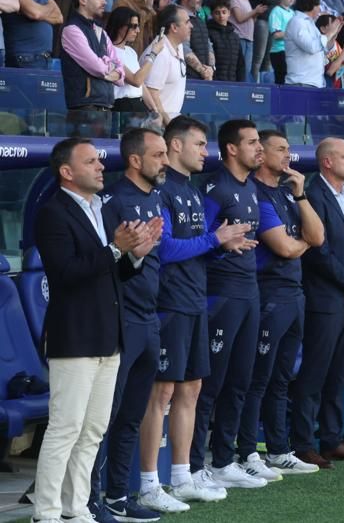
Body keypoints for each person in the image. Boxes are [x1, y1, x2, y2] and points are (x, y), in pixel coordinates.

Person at [32, 137, 159, 523]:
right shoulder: (52, 212)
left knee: (93, 430)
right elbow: (66, 274)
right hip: (75, 336)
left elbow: (111, 272)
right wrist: (116, 250)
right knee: (65, 428)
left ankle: (76, 507)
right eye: (90, 162)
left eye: (100, 161)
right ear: (67, 172)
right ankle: (47, 512)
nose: (101, 166)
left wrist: (135, 256)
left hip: (109, 335)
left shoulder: (100, 211)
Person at [136, 116, 251, 512]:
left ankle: (183, 475)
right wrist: (214, 239)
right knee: (162, 392)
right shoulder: (162, 190)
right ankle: (149, 482)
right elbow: (164, 249)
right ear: (176, 147)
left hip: (195, 301)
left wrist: (222, 245)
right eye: (200, 144)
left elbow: (196, 244)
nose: (207, 152)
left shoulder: (191, 189)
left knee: (191, 389)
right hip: (168, 304)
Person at [88, 129, 169, 523]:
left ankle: (118, 496)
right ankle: (88, 500)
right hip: (122, 322)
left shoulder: (155, 197)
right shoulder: (113, 202)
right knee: (104, 416)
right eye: (158, 154)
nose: (165, 161)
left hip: (150, 318)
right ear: (135, 160)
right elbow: (102, 264)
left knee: (132, 415)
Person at [235, 131, 325, 479]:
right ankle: (246, 453)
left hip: (294, 294)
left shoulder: (289, 192)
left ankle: (278, 450)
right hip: (269, 294)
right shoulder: (255, 193)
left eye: (289, 148)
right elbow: (284, 248)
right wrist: (299, 242)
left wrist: (301, 194)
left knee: (282, 378)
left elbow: (316, 238)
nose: (288, 155)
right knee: (258, 378)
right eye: (280, 149)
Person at [190, 120, 267, 489]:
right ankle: (191, 466)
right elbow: (199, 241)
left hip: (249, 292)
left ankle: (223, 460)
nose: (260, 149)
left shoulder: (250, 186)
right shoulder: (214, 188)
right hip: (220, 295)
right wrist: (221, 246)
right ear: (232, 149)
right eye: (253, 143)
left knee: (241, 380)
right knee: (210, 384)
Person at [291, 138, 344, 468]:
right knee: (314, 374)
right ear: (327, 162)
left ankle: (331, 439)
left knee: (339, 373)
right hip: (325, 299)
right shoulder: (314, 195)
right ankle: (303, 443)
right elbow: (317, 252)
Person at [60, 0, 125, 113]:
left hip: (106, 105)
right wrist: (109, 67)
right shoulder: (72, 30)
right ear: (83, 0)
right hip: (84, 106)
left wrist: (107, 68)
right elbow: (97, 67)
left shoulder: (101, 31)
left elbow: (121, 74)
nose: (105, 2)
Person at [144, 5, 191, 126]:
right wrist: (168, 124)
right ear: (174, 28)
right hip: (158, 125)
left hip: (170, 123)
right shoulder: (160, 52)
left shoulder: (178, 46)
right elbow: (151, 91)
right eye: (187, 22)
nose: (191, 26)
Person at [284, 0, 340, 88]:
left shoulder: (311, 24)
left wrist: (333, 35)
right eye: (318, 5)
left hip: (315, 83)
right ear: (311, 5)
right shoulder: (297, 22)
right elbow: (311, 47)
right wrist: (330, 32)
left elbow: (323, 50)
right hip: (301, 83)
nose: (320, 9)